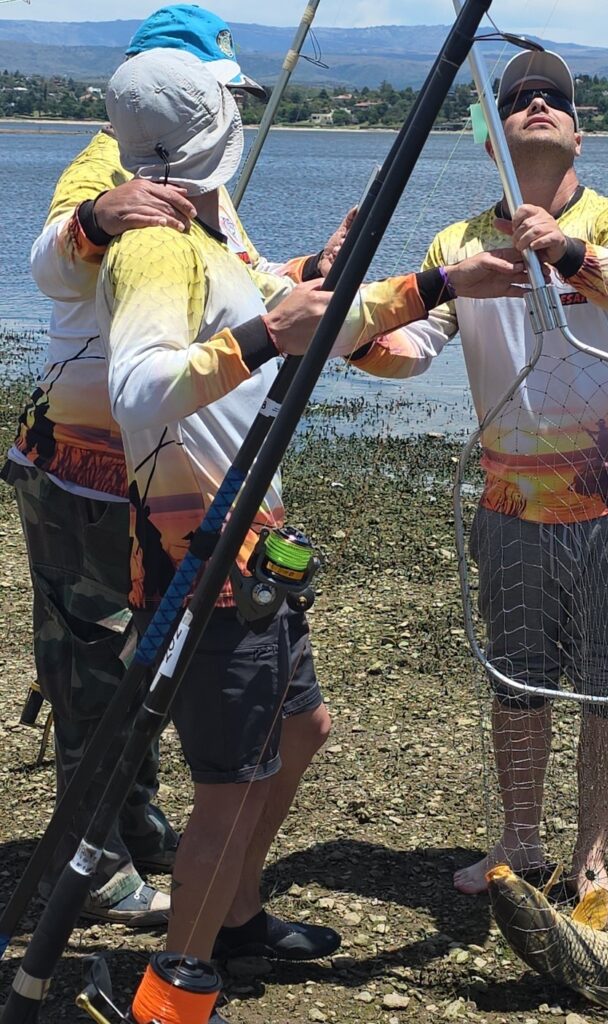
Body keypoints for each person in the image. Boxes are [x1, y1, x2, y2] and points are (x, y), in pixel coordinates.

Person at [98, 44, 528, 991]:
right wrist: (262, 337)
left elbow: (312, 317)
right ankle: (179, 983)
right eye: (230, 105)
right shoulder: (158, 246)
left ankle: (236, 919)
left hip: (253, 551)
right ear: (208, 122)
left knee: (301, 733)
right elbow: (138, 390)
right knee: (230, 785)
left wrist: (442, 284)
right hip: (198, 560)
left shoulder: (209, 232)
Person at [1, 4, 357, 940]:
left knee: (147, 661)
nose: (233, 110)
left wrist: (301, 278)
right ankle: (99, 863)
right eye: (223, 92)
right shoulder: (112, 157)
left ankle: (135, 818)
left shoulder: (201, 180)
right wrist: (93, 215)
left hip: (159, 468)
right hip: (89, 471)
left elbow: (233, 281)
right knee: (96, 666)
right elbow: (51, 267)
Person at [346, 49, 608, 929]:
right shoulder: (456, 244)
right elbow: (413, 352)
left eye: (552, 99)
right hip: (512, 505)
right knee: (518, 679)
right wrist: (352, 326)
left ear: (576, 132)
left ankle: (590, 858)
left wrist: (561, 247)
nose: (533, 104)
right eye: (516, 97)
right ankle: (518, 843)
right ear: (491, 136)